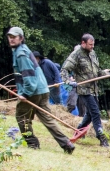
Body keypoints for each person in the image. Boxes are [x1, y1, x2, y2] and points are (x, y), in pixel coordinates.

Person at [7, 26, 75, 154]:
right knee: (47, 118)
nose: (11, 40)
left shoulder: (21, 54)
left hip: (33, 90)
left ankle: (32, 143)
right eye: (10, 37)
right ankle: (66, 143)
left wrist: (25, 93)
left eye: (14, 37)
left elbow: (28, 74)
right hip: (43, 89)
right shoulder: (23, 50)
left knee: (21, 116)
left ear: (21, 38)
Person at [61, 33, 110, 147]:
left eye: (93, 45)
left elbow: (97, 72)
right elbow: (64, 69)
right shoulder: (76, 54)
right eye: (90, 45)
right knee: (95, 113)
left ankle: (78, 132)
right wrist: (68, 81)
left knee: (89, 114)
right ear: (83, 43)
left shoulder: (92, 53)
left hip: (94, 89)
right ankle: (101, 137)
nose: (92, 47)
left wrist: (107, 74)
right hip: (84, 90)